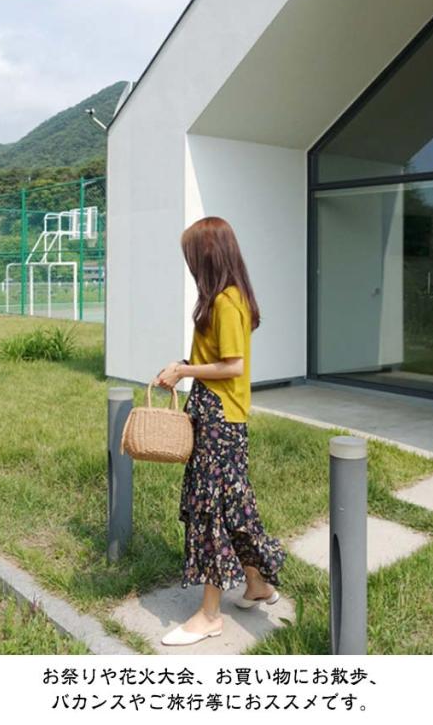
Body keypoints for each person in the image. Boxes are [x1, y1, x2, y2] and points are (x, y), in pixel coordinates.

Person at [154, 215, 287, 646]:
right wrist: (181, 368)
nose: (189, 263)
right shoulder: (225, 297)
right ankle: (257, 584)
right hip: (219, 415)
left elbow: (233, 366)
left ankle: (209, 615)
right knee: (231, 508)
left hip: (220, 420)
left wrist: (184, 370)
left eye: (192, 255)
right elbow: (216, 361)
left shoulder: (227, 301)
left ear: (207, 256)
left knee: (210, 510)